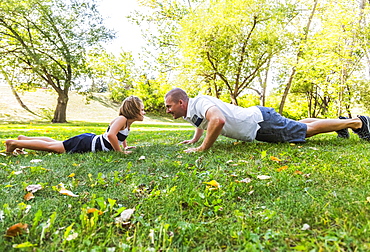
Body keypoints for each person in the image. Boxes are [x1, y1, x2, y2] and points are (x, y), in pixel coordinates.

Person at [164, 88, 370, 153]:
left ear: (181, 102)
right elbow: (204, 123)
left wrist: (202, 148)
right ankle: (340, 122)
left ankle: (357, 123)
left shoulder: (200, 102)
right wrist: (194, 139)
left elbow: (217, 121)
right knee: (300, 125)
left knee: (304, 131)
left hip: (260, 124)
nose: (167, 110)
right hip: (259, 120)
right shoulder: (191, 112)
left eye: (169, 106)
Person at [5, 96, 146, 154]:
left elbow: (120, 136)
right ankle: (13, 144)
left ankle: (23, 139)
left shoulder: (126, 123)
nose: (144, 112)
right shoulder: (122, 119)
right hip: (86, 143)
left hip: (89, 140)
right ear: (133, 110)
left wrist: (125, 146)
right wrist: (119, 152)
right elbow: (111, 135)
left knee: (58, 143)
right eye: (142, 110)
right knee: (53, 147)